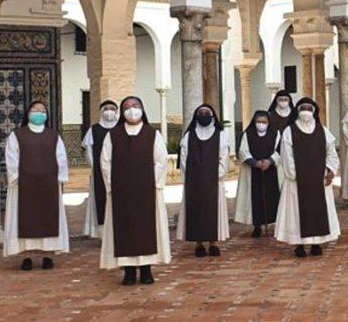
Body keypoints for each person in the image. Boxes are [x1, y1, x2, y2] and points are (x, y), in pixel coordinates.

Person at [99, 96, 170, 285]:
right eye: (128, 107)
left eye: (136, 106)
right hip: (121, 190)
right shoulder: (113, 135)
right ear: (122, 112)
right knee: (124, 227)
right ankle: (128, 272)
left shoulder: (152, 134)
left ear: (142, 109)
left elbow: (161, 161)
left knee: (146, 229)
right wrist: (112, 184)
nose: (132, 110)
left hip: (147, 189)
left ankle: (147, 270)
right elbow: (105, 162)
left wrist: (151, 182)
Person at [3, 101, 69, 270]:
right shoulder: (17, 135)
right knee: (24, 219)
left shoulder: (54, 136)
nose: (39, 113)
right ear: (28, 113)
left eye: (42, 110)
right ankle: (27, 256)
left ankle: (48, 255)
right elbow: (11, 158)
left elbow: (61, 158)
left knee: (48, 218)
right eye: (35, 110)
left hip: (49, 185)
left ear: (46, 115)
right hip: (23, 185)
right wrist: (17, 178)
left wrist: (59, 178)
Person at [275, 98, 341, 257]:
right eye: (302, 108)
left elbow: (332, 153)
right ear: (297, 111)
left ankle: (317, 243)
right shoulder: (289, 131)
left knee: (319, 211)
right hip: (297, 181)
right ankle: (299, 244)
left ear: (314, 111)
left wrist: (330, 171)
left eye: (308, 108)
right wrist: (296, 174)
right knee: (296, 213)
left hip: (320, 180)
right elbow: (286, 155)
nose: (305, 111)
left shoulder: (323, 130)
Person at [176, 104, 230, 257]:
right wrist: (191, 175)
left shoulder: (221, 135)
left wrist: (216, 174)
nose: (205, 115)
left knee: (214, 211)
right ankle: (198, 243)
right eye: (202, 113)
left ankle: (214, 243)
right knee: (196, 210)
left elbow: (224, 157)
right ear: (196, 116)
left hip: (214, 181)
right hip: (194, 181)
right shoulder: (189, 135)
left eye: (207, 113)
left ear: (212, 116)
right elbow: (184, 158)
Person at [235, 111, 282, 237]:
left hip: (271, 171)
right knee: (256, 199)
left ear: (268, 122)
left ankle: (276, 224)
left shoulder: (275, 133)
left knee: (273, 197)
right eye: (258, 122)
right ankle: (257, 226)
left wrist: (270, 161)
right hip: (254, 171)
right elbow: (243, 151)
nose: (261, 124)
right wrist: (255, 163)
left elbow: (280, 150)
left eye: (264, 122)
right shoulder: (248, 134)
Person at [81, 99, 118, 239]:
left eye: (112, 108)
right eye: (106, 109)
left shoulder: (121, 128)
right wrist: (97, 167)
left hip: (121, 171)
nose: (109, 111)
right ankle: (103, 235)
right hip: (99, 171)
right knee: (101, 200)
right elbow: (89, 150)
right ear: (102, 112)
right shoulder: (94, 130)